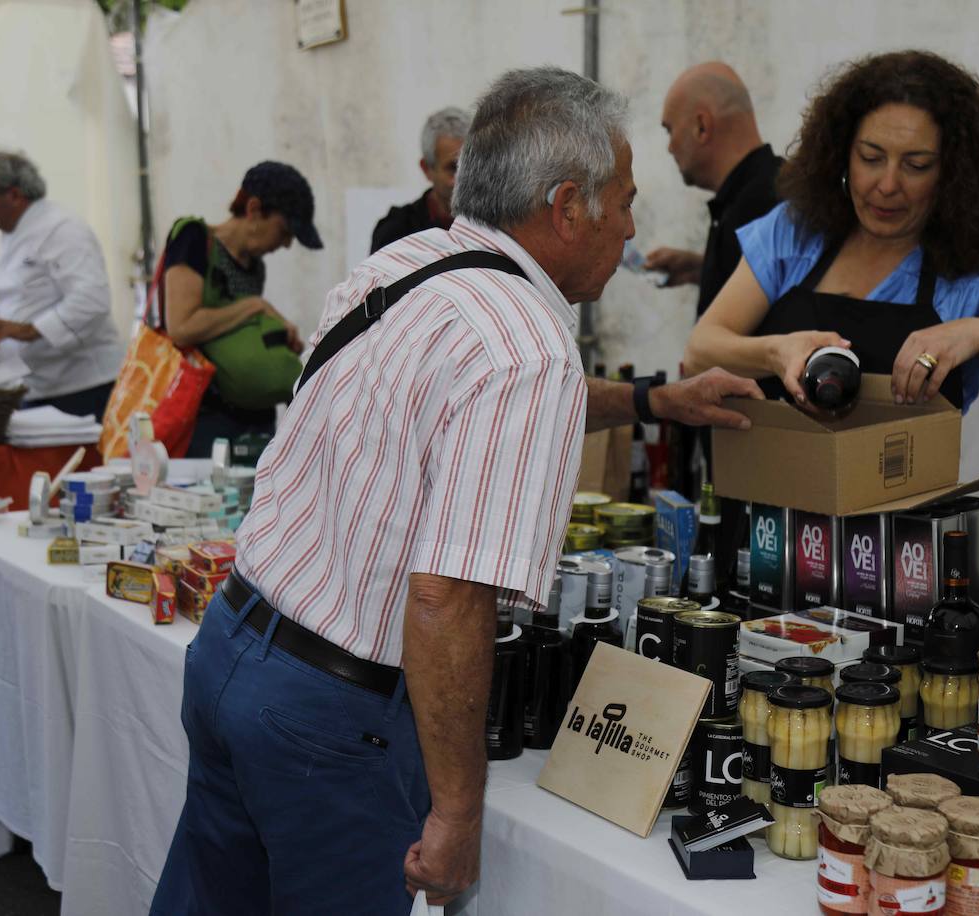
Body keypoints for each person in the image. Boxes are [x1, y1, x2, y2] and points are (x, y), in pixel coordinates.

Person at [150, 67, 762, 916]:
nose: (627, 229)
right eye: (622, 201)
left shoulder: (407, 265)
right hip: (327, 717)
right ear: (565, 206)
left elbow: (459, 405)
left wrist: (653, 401)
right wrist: (458, 811)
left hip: (232, 649)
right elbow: (447, 595)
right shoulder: (529, 350)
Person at [684, 50, 979, 419]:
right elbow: (700, 353)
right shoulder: (794, 234)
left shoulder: (976, 276)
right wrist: (776, 352)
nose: (888, 184)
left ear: (952, 175)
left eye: (916, 165)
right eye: (871, 157)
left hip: (904, 523)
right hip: (770, 516)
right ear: (841, 155)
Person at [0, 149, 122, 420]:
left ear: (13, 194)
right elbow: (21, 302)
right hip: (35, 383)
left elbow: (91, 301)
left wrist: (30, 330)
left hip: (81, 385)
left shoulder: (63, 229)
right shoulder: (16, 233)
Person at [159, 161, 322, 457]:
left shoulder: (255, 267)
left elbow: (237, 333)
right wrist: (254, 307)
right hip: (202, 419)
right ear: (255, 210)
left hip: (254, 421)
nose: (285, 245)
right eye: (284, 231)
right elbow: (181, 327)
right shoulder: (193, 238)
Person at [645, 62, 783, 319]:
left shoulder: (764, 212)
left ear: (702, 127)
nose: (669, 147)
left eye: (669, 130)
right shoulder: (762, 194)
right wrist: (702, 269)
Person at [370, 106, 469, 253]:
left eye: (471, 167)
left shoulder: (498, 227)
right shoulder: (396, 233)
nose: (464, 178)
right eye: (453, 168)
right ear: (427, 169)